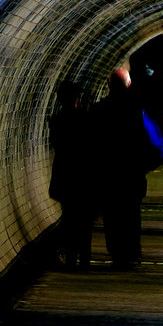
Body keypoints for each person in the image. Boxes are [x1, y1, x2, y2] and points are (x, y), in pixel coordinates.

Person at [92, 67, 150, 269]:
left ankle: (116, 253)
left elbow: (93, 144)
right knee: (131, 214)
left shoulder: (98, 110)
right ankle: (132, 253)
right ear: (129, 84)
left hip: (107, 173)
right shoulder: (137, 110)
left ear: (108, 85)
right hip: (132, 172)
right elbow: (145, 140)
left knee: (112, 214)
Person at [49, 81, 94, 269]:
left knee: (68, 218)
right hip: (84, 176)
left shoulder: (56, 120)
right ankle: (84, 259)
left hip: (64, 175)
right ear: (76, 98)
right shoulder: (86, 119)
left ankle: (70, 257)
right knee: (85, 219)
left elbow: (55, 145)